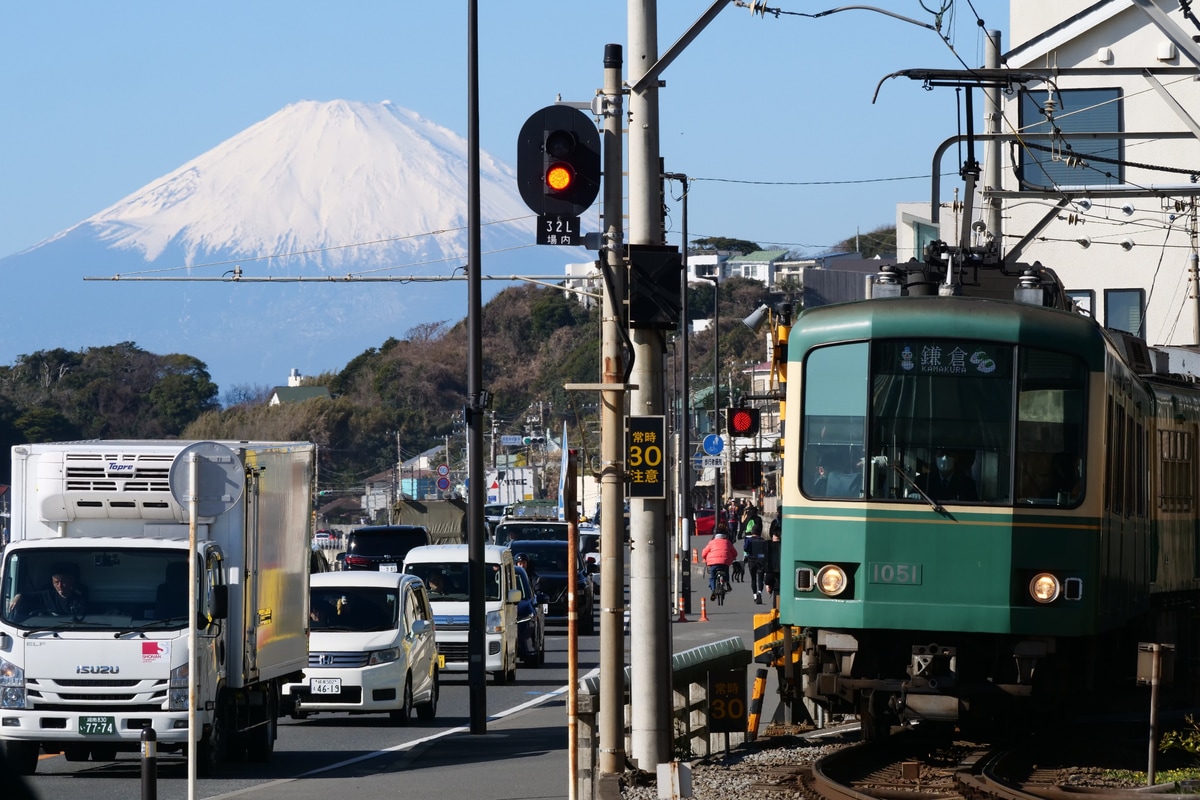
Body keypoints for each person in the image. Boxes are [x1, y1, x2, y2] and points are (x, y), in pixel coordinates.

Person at [8, 563, 87, 618]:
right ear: (52, 582)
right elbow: (27, 596)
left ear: (71, 581)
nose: (60, 586)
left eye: (64, 582)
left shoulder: (80, 597)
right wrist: (18, 596)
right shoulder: (47, 595)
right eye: (56, 582)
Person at [701, 531, 737, 601]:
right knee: (726, 571)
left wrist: (705, 558)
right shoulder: (727, 542)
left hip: (713, 563)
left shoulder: (711, 542)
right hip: (725, 562)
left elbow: (703, 553)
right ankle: (727, 583)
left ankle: (713, 590)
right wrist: (732, 558)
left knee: (712, 577)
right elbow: (735, 553)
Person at [743, 525, 768, 604]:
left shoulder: (749, 540)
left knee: (753, 578)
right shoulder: (763, 541)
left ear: (752, 532)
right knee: (760, 579)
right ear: (759, 532)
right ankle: (759, 592)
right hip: (761, 560)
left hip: (752, 560)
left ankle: (754, 595)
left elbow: (745, 548)